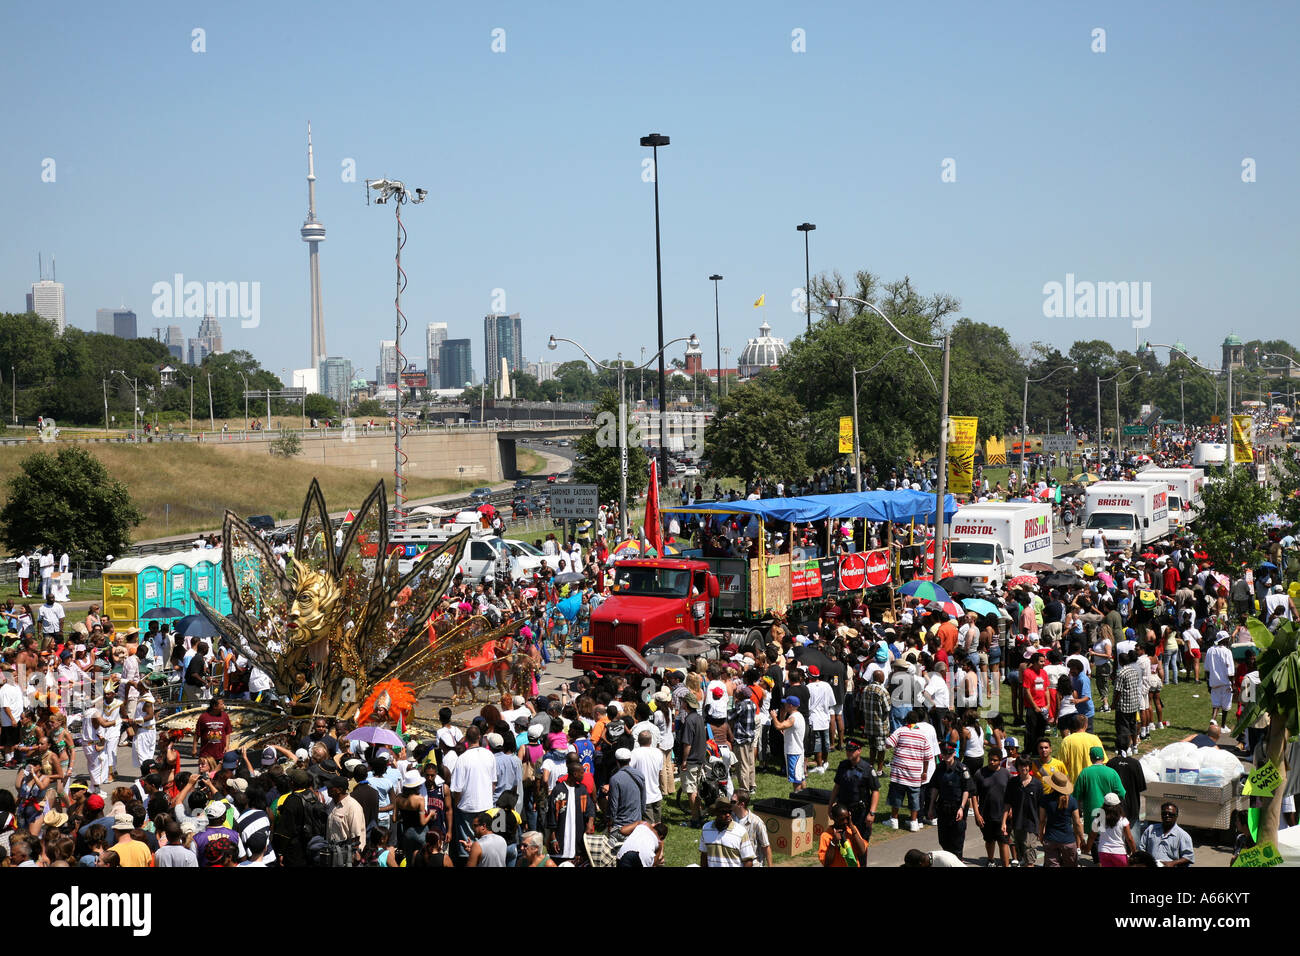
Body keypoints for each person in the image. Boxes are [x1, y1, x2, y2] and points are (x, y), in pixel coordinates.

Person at [885, 710, 937, 831]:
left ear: (906, 720)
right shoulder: (922, 735)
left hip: (899, 770)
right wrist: (924, 772)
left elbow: (888, 743)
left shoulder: (900, 730)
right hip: (915, 772)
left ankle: (894, 819)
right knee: (914, 797)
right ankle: (914, 822)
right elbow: (927, 757)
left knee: (897, 795)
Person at [930, 741, 972, 858]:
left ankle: (958, 861)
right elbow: (935, 788)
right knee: (943, 840)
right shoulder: (940, 768)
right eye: (944, 753)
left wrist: (962, 808)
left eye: (949, 753)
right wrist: (931, 807)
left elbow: (966, 790)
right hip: (943, 808)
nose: (946, 756)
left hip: (957, 808)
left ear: (954, 753)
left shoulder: (962, 769)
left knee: (957, 841)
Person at [1073, 745, 1126, 837]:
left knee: (1094, 841)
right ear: (1103, 757)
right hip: (1110, 814)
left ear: (1090, 757)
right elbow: (1122, 793)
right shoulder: (1112, 772)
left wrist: (1078, 814)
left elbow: (1076, 796)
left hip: (1092, 815)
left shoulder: (1085, 773)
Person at [972, 749, 1012, 867]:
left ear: (1000, 761)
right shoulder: (979, 774)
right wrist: (977, 813)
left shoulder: (1006, 774)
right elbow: (974, 795)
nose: (991, 762)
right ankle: (991, 860)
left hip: (1002, 815)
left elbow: (1011, 795)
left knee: (1003, 842)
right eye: (990, 759)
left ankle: (1006, 865)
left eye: (995, 760)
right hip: (986, 814)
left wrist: (1011, 809)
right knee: (989, 840)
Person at [1002, 756, 1043, 868]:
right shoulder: (1012, 783)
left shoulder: (1037, 785)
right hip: (1017, 824)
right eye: (1021, 765)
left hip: (1031, 825)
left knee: (1030, 858)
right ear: (1017, 767)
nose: (1023, 768)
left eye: (1025, 765)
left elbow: (1041, 807)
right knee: (1022, 858)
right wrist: (1004, 822)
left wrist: (1042, 826)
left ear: (1029, 767)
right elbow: (1007, 804)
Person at [1037, 770, 1084, 867]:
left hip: (1050, 838)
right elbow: (1077, 822)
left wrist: (1041, 835)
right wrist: (1082, 839)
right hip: (1068, 840)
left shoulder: (1045, 799)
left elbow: (1042, 821)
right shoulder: (1072, 800)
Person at [698, 797, 756, 867]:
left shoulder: (740, 832)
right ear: (716, 813)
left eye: (729, 812)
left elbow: (748, 860)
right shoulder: (706, 829)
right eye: (724, 812)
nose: (728, 815)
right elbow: (704, 855)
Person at [1136, 802, 1195, 866]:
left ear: (1176, 816)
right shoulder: (1151, 829)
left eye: (1170, 814)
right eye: (1164, 813)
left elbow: (1189, 857)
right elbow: (1142, 848)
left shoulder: (1183, 835)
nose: (1167, 816)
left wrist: (1172, 863)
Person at [1086, 793, 1135, 867]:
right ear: (1118, 805)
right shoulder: (1123, 820)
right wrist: (1135, 852)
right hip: (1119, 853)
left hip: (1103, 852)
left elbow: (1092, 836)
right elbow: (1129, 839)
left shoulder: (1098, 819)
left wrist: (1087, 848)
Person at [772, 695, 807, 793]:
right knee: (801, 778)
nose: (784, 705)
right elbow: (785, 726)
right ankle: (806, 798)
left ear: (790, 705)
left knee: (796, 781)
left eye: (786, 703)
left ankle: (797, 801)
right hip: (798, 751)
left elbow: (778, 726)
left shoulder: (793, 718)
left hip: (793, 753)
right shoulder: (798, 715)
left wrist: (774, 717)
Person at [729, 791, 772, 867]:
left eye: (733, 802)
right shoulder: (730, 819)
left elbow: (766, 847)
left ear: (741, 804)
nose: (730, 803)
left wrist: (770, 866)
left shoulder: (757, 822)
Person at [819, 803, 869, 867]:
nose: (845, 821)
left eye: (847, 818)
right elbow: (826, 863)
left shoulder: (852, 830)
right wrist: (833, 843)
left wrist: (853, 829)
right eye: (842, 819)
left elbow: (862, 851)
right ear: (834, 818)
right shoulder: (826, 836)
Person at [1205, 633, 1235, 729]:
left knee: (1216, 704)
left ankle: (1213, 719)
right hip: (1225, 683)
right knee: (1226, 706)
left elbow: (1207, 669)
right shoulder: (1227, 652)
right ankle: (1223, 726)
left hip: (1214, 683)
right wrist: (1233, 684)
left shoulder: (1210, 650)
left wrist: (1208, 684)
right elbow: (1230, 671)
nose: (1228, 641)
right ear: (1223, 640)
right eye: (1227, 639)